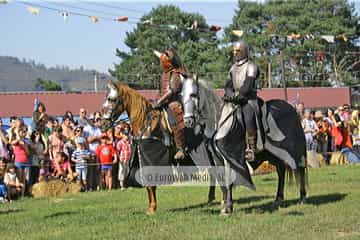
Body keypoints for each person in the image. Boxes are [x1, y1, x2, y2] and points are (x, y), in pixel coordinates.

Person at [222, 40, 259, 161]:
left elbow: (248, 84)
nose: (235, 53)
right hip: (235, 100)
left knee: (248, 117)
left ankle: (251, 148)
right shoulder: (233, 68)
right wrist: (230, 94)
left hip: (249, 100)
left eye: (237, 51)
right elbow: (228, 85)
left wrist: (239, 94)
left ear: (244, 51)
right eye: (234, 51)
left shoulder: (251, 66)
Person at [154, 47, 187, 160]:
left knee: (173, 120)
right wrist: (156, 101)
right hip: (162, 102)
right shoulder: (163, 75)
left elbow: (171, 91)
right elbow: (160, 91)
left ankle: (180, 148)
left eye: (162, 62)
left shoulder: (175, 74)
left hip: (173, 102)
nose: (161, 64)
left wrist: (160, 101)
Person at [11, 125, 30, 195]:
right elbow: (12, 143)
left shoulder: (26, 141)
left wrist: (24, 145)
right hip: (18, 162)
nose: (24, 133)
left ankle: (22, 195)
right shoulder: (15, 140)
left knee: (24, 180)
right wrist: (19, 139)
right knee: (19, 179)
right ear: (19, 133)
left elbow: (28, 153)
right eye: (23, 132)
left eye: (25, 132)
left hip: (26, 162)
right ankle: (18, 195)